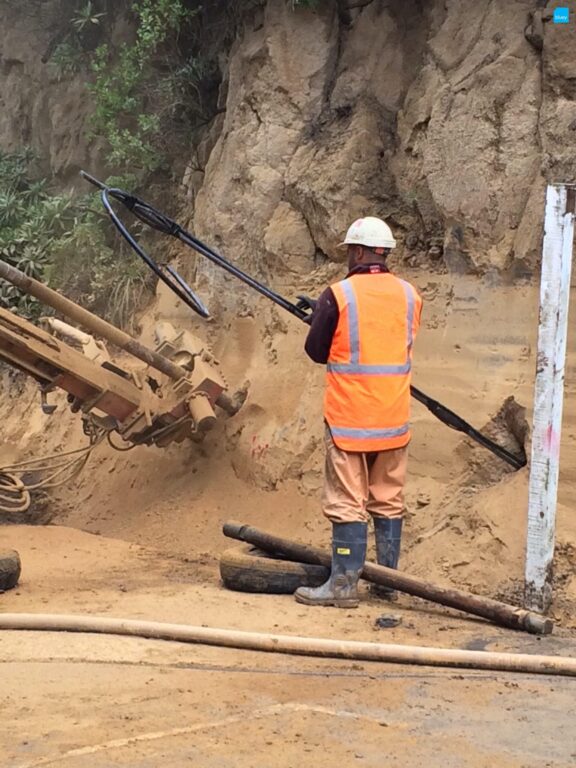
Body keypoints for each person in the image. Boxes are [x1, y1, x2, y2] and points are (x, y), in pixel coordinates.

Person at [294, 216, 422, 608]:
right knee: (388, 499)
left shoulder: (338, 295)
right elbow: (384, 336)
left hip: (350, 419)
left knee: (347, 502)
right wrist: (325, 313)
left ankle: (344, 585)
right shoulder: (409, 295)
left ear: (359, 251)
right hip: (393, 418)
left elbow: (317, 351)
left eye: (350, 249)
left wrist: (321, 316)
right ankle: (387, 583)